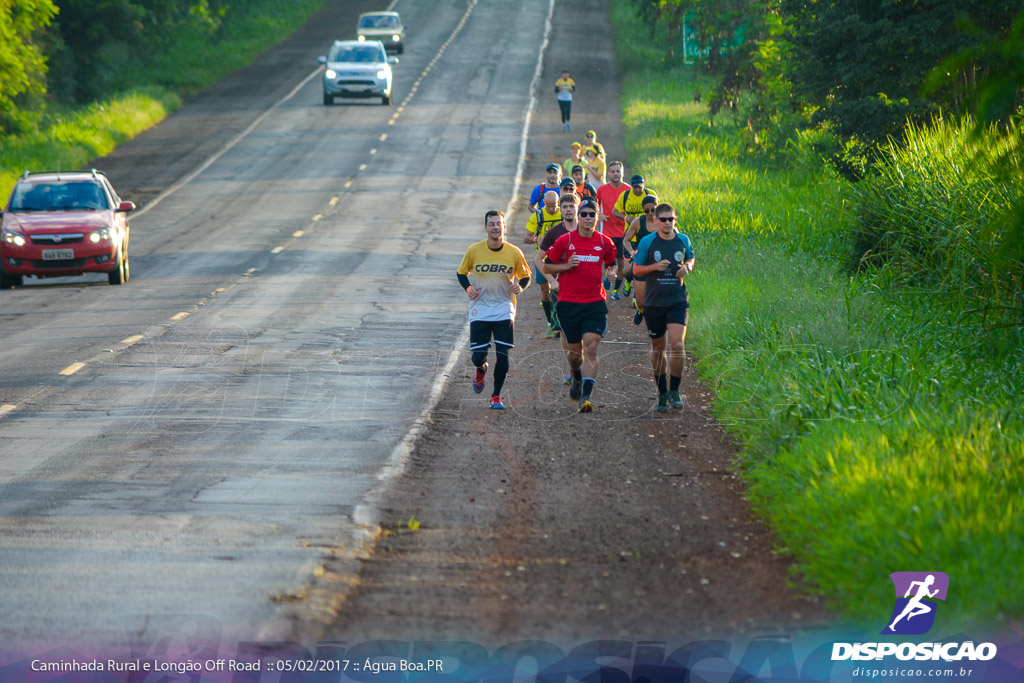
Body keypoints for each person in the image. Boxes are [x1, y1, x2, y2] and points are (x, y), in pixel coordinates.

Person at [542, 197, 617, 413]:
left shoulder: (605, 242)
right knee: (574, 355)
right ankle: (575, 376)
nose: (587, 218)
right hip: (568, 303)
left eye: (591, 214)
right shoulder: (566, 240)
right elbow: (547, 267)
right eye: (583, 214)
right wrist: (566, 266)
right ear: (578, 216)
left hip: (594, 302)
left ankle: (586, 396)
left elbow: (612, 263)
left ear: (596, 217)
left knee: (591, 347)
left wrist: (612, 273)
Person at [457, 210, 532, 409]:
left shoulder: (514, 252)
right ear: (486, 228)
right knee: (477, 356)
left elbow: (526, 276)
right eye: (492, 224)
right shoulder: (474, 250)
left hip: (503, 307)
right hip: (480, 307)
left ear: (504, 227)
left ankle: (496, 396)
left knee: (503, 354)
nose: (496, 227)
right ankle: (481, 369)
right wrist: (469, 288)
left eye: (499, 223)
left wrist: (520, 287)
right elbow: (461, 273)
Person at [631, 202, 695, 412]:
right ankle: (662, 392)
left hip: (677, 300)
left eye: (671, 219)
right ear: (656, 220)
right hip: (654, 302)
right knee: (659, 350)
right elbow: (636, 270)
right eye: (664, 219)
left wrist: (687, 267)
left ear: (675, 220)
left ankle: (675, 391)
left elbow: (691, 258)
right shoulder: (648, 242)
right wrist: (654, 267)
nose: (668, 223)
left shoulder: (683, 239)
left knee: (676, 346)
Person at [524, 190, 564, 338]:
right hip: (542, 259)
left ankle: (558, 323)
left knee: (560, 291)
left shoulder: (563, 215)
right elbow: (526, 237)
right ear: (544, 203)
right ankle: (550, 322)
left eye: (555, 206)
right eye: (549, 206)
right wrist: (536, 239)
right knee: (545, 292)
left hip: (560, 259)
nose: (552, 209)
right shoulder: (538, 215)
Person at [622, 193, 659, 323]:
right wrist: (632, 252)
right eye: (646, 210)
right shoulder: (638, 222)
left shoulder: (663, 221)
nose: (650, 213)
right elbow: (626, 240)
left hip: (658, 261)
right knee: (640, 301)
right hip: (641, 260)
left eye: (653, 210)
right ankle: (641, 309)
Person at [595, 160, 629, 297]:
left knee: (621, 262)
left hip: (623, 232)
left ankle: (616, 290)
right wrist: (599, 215)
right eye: (613, 171)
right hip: (607, 231)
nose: (615, 174)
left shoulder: (628, 190)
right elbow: (594, 206)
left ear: (622, 172)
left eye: (618, 171)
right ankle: (608, 277)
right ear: (609, 173)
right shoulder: (602, 189)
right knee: (608, 261)